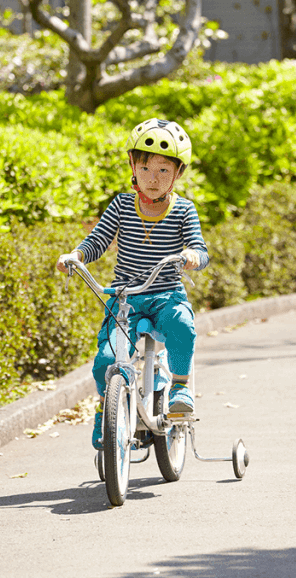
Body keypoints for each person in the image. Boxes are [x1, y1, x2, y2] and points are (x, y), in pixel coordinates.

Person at [56, 118, 210, 450]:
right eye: (146, 168)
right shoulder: (122, 206)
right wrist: (78, 255)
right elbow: (99, 239)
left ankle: (180, 388)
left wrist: (192, 256)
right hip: (126, 297)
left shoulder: (184, 210)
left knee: (182, 325)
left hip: (167, 293)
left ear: (178, 174)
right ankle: (107, 408)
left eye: (164, 171)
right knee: (108, 357)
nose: (153, 179)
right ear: (133, 167)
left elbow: (200, 247)